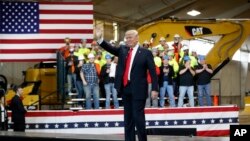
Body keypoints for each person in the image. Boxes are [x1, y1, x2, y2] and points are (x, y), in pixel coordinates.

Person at [95, 28, 159, 141]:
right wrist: (100, 39)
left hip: (139, 89)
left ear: (137, 38)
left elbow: (153, 72)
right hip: (125, 88)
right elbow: (110, 48)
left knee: (138, 117)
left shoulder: (146, 53)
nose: (128, 39)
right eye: (126, 37)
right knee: (128, 118)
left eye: (130, 37)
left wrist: (154, 89)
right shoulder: (123, 50)